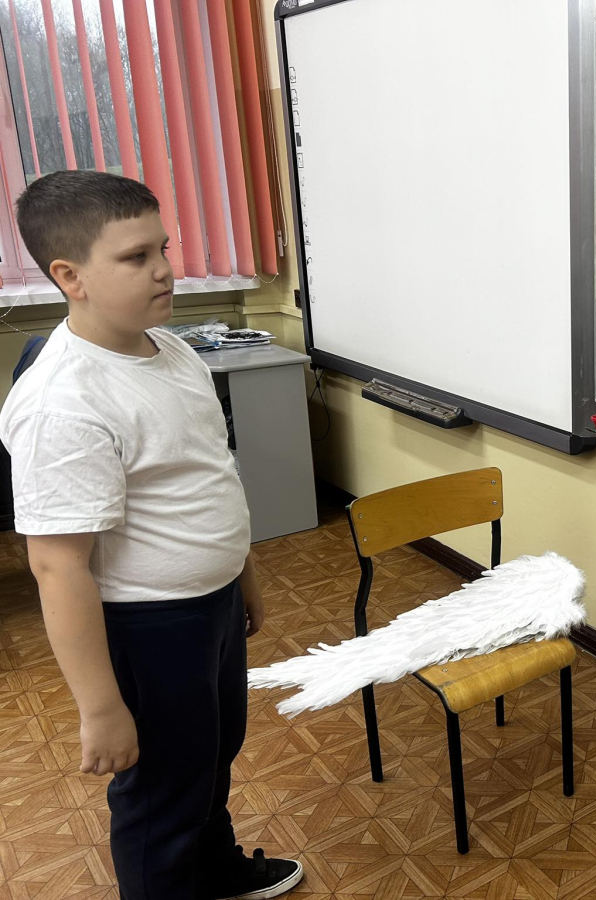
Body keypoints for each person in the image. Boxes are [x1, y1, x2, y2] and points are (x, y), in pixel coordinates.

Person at [0, 170, 303, 900]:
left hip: (211, 606)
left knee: (210, 757)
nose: (165, 269)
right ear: (70, 276)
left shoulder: (171, 350)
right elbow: (58, 568)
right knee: (161, 793)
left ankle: (215, 870)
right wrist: (101, 707)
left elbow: (209, 477)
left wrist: (240, 576)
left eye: (163, 248)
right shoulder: (63, 401)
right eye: (136, 257)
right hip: (148, 626)